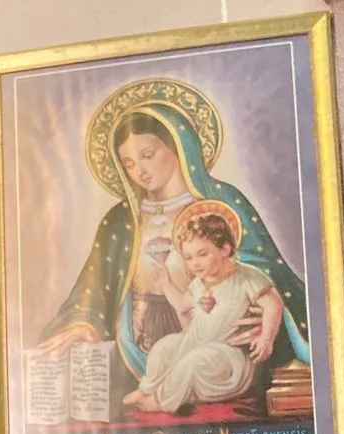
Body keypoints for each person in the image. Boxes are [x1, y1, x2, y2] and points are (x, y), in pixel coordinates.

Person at [38, 102, 313, 412]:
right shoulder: (120, 220)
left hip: (220, 342)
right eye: (128, 163)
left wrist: (266, 321)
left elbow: (269, 274)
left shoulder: (223, 203)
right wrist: (83, 324)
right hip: (134, 350)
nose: (140, 170)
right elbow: (93, 291)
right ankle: (151, 390)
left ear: (178, 145)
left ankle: (165, 398)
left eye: (147, 155)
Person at [124, 203, 284, 414]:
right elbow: (182, 305)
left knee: (192, 363)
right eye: (189, 258)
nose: (195, 264)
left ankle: (164, 401)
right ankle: (146, 389)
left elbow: (273, 303)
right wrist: (165, 284)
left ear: (225, 249)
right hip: (194, 343)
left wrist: (266, 338)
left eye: (202, 254)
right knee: (163, 348)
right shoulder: (199, 283)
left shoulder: (246, 277)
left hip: (229, 356)